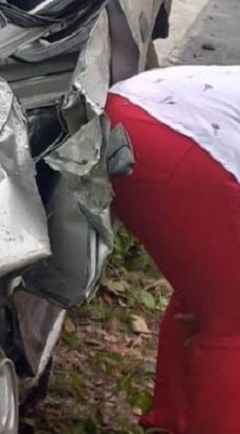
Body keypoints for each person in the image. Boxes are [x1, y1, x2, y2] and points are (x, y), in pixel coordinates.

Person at [105, 66, 240, 434]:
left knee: (208, 297)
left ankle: (173, 421)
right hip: (179, 137)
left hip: (133, 113)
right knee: (234, 320)